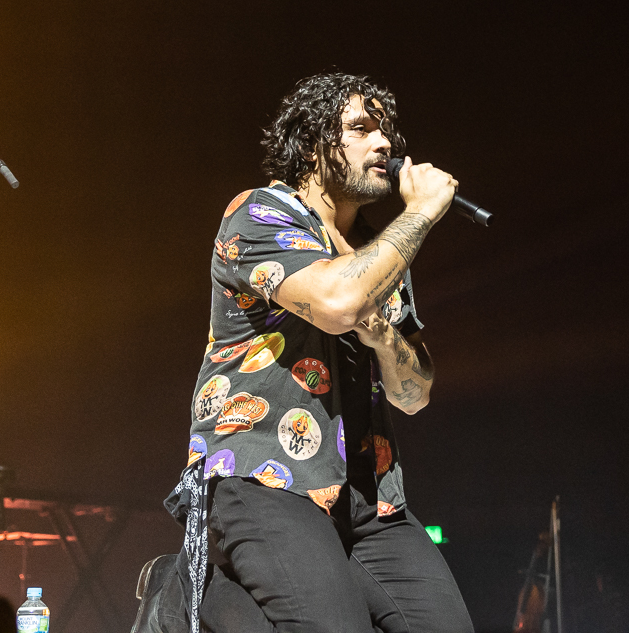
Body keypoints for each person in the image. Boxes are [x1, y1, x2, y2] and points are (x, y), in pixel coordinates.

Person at [132, 73, 474, 633]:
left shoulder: (381, 253)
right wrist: (420, 214)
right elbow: (337, 302)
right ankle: (181, 589)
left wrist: (385, 339)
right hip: (264, 473)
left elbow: (415, 395)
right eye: (360, 129)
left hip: (368, 495)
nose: (384, 144)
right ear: (313, 146)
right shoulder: (259, 213)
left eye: (387, 133)